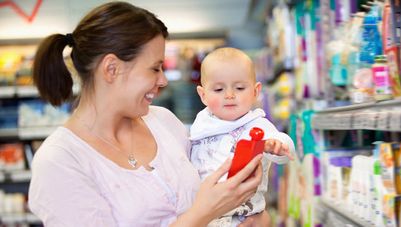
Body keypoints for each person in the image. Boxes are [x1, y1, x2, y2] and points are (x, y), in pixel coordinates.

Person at [28, 2, 268, 226]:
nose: (163, 80)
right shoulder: (59, 161)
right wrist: (203, 214)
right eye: (155, 68)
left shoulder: (163, 122)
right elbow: (204, 210)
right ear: (112, 69)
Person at [189, 47, 296, 227]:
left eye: (239, 88)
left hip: (243, 216)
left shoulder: (256, 124)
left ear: (255, 92)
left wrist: (276, 145)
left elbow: (284, 150)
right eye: (218, 89)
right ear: (203, 95)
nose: (230, 95)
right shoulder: (202, 123)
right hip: (205, 215)